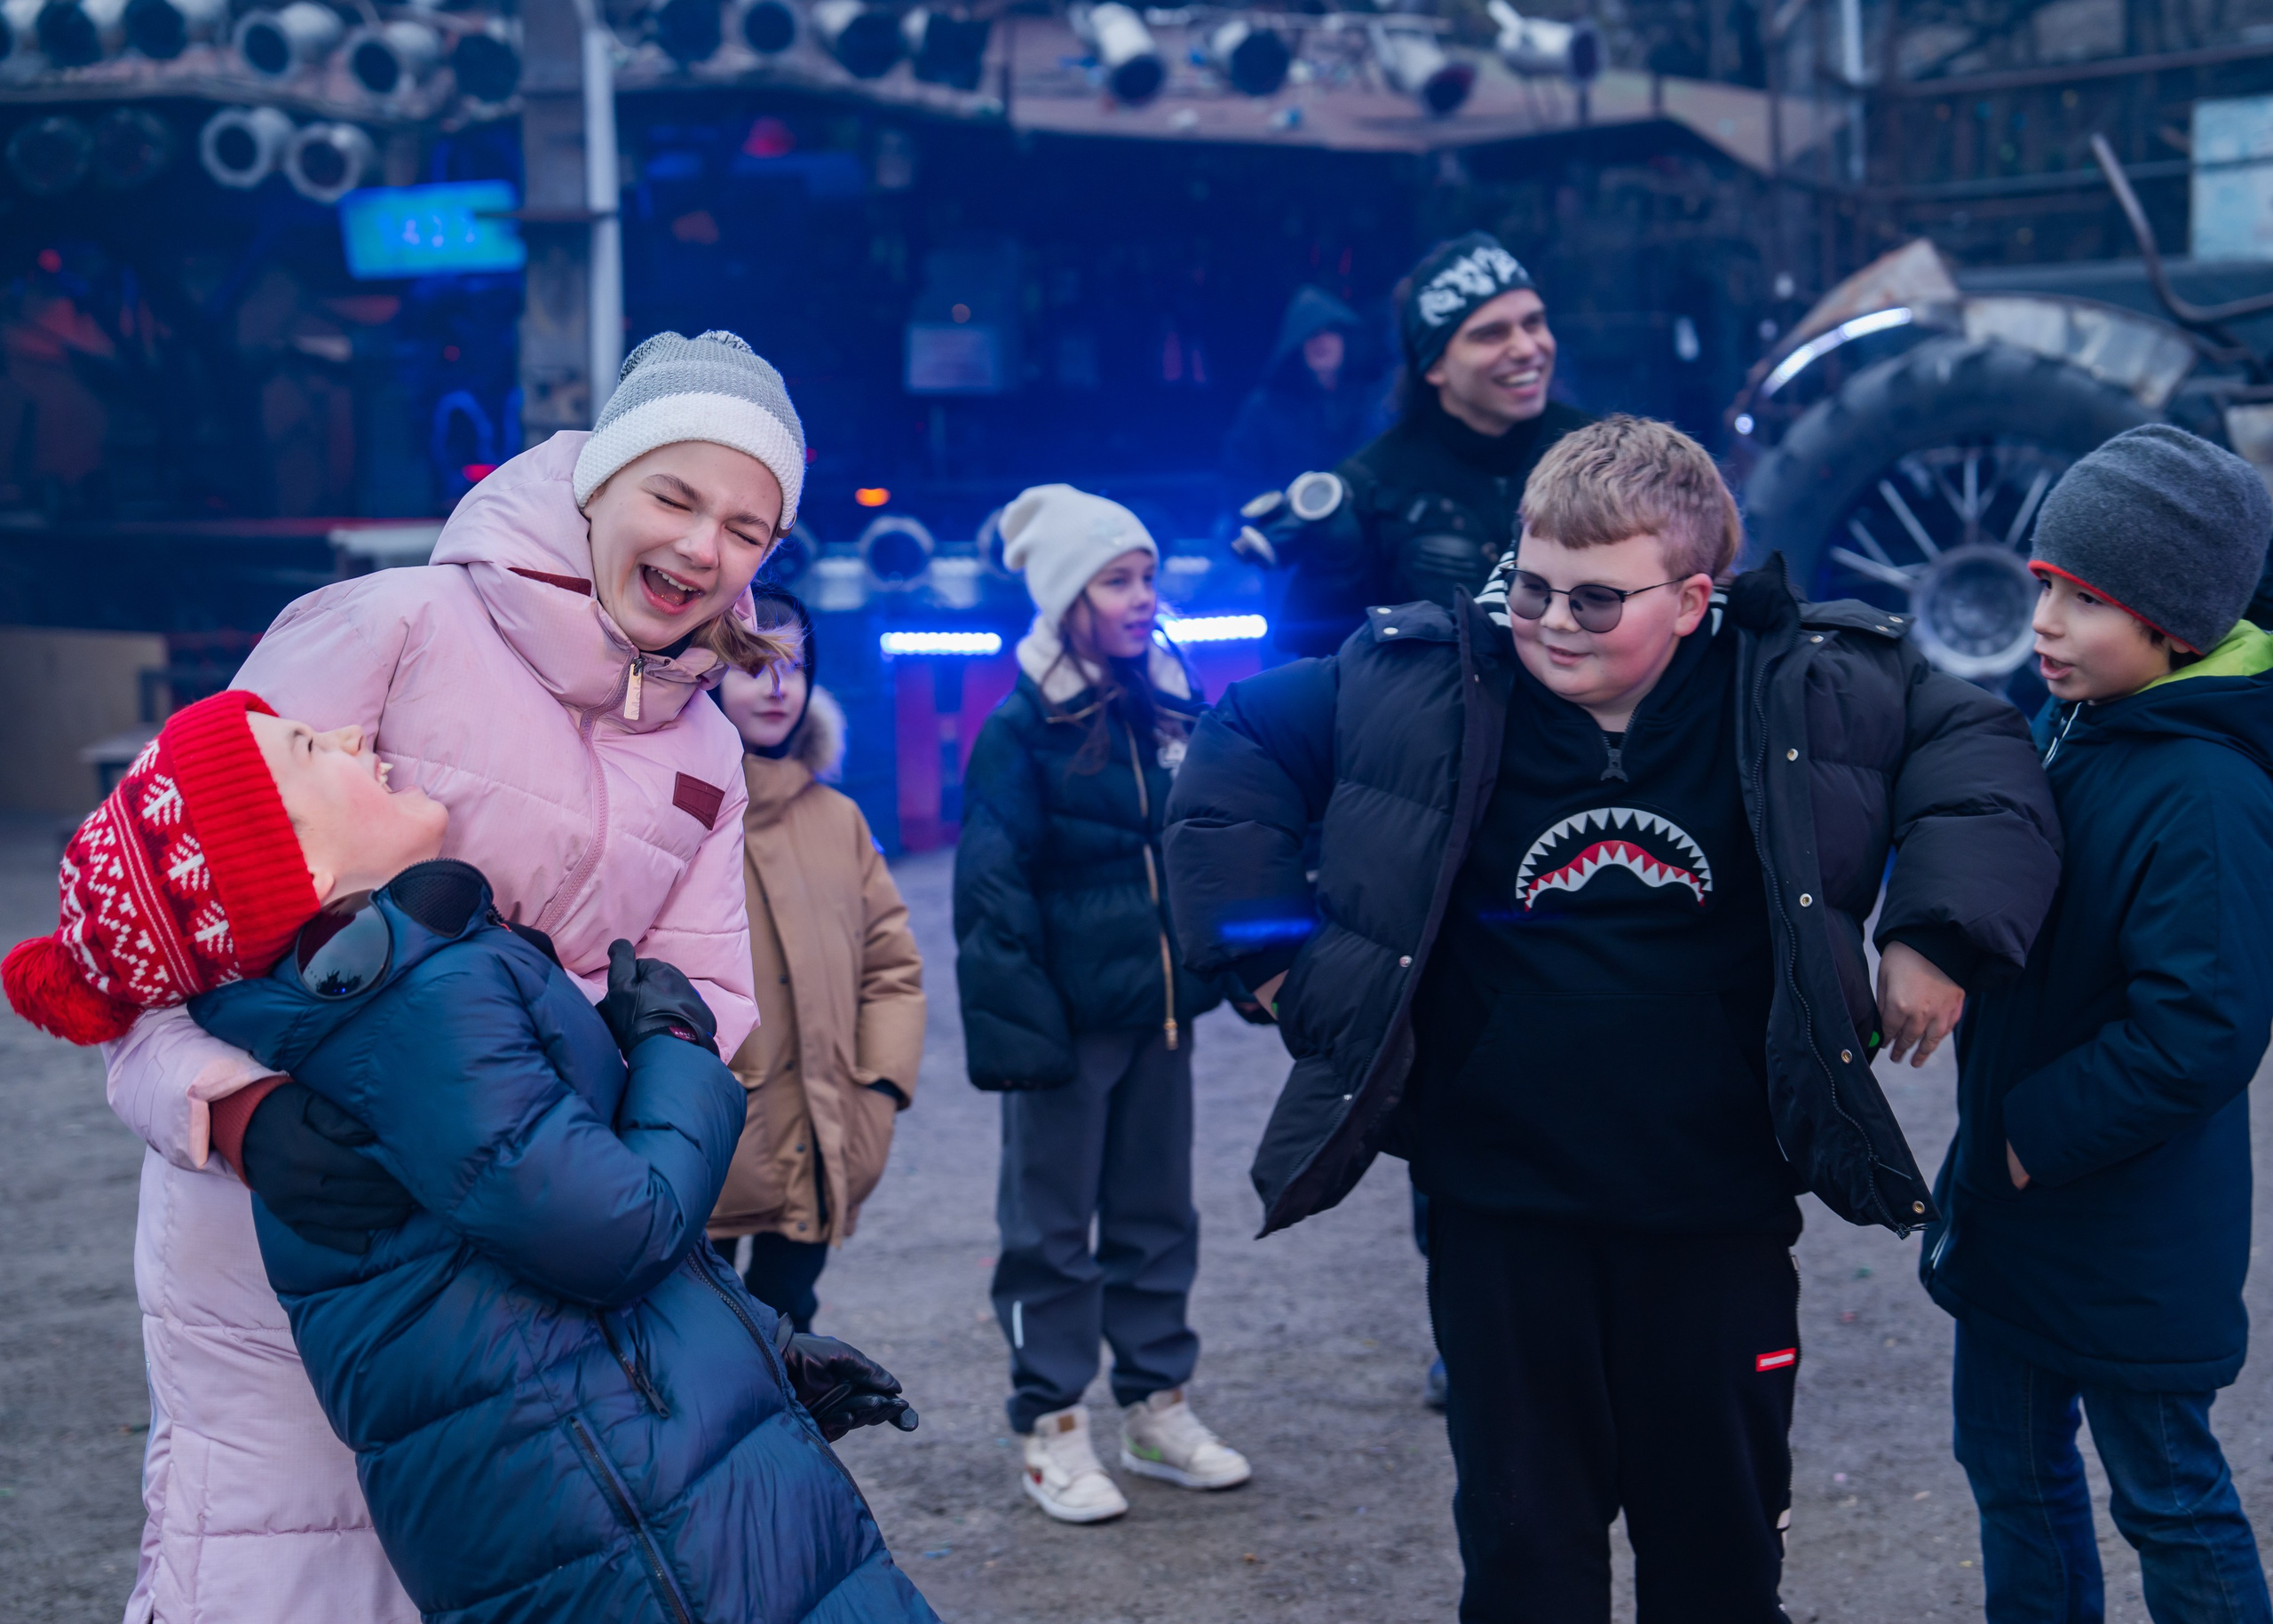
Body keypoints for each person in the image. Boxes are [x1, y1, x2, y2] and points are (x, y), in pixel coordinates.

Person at [1163, 416, 2063, 1621]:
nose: (1549, 622)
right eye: (1532, 586)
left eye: (1597, 600)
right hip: (1500, 1213)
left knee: (1723, 1557)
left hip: (1717, 1210)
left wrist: (1932, 935)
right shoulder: (1433, 678)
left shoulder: (1803, 680)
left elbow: (1981, 750)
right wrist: (1285, 974)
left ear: (1695, 597)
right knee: (1526, 1556)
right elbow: (1238, 754)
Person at [92, 329, 799, 1624]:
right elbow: (150, 922)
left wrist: (636, 1106)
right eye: (677, 496)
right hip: (291, 1223)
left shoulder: (706, 742)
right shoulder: (395, 624)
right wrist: (236, 1114)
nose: (707, 549)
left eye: (749, 528)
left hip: (510, 1245)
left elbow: (707, 997)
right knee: (273, 1566)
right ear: (599, 486)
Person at [4, 691, 934, 1623]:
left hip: (631, 1475)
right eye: (306, 743)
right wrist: (679, 1048)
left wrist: (754, 1354)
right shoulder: (413, 1006)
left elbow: (514, 1291)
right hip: (629, 1522)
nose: (350, 732)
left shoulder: (388, 989)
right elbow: (618, 1230)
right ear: (302, 867)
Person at [1922, 424, 2273, 1624]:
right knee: (2008, 1468)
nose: (2049, 625)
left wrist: (2029, 1133)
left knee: (2167, 1494)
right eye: (2045, 587)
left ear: (2174, 624)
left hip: (2125, 1227)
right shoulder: (2081, 726)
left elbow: (2206, 1026)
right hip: (2021, 1211)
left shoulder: (2209, 791)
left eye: (2088, 599)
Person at [955, 483, 1251, 1525]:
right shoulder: (1021, 725)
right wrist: (1022, 1033)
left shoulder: (1175, 696)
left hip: (1159, 1014)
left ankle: (1154, 1405)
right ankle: (1049, 1424)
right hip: (1064, 1029)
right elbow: (989, 897)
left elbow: (1214, 838)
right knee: (1048, 1233)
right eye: (1117, 579)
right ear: (1065, 594)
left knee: (1156, 1216)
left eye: (1146, 577)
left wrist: (1229, 963)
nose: (1140, 597)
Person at [707, 587, 925, 1332]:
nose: (777, 685)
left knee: (790, 1332)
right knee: (692, 1345)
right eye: (753, 664)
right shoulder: (665, 812)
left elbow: (892, 968)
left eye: (795, 666)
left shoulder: (839, 818)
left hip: (820, 1134)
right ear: (704, 672)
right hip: (701, 1149)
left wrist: (879, 1090)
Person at [1269, 232, 1594, 657]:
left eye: (1533, 322)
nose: (1526, 348)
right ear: (1435, 363)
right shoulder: (1370, 486)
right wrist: (1333, 571)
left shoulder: (1598, 456)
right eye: (1491, 334)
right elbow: (1309, 656)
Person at [1220, 284, 1371, 504]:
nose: (1321, 341)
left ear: (1345, 340)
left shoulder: (1373, 403)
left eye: (1330, 331)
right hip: (1288, 529)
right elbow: (1238, 481)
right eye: (1310, 334)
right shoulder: (1264, 408)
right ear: (1296, 344)